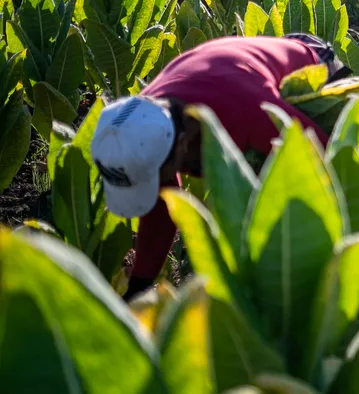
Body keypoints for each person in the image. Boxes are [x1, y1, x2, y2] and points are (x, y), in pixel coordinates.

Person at [91, 35, 340, 298]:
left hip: (311, 70)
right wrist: (138, 286)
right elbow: (160, 208)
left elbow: (329, 162)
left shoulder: (247, 112)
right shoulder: (141, 123)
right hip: (241, 69)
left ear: (182, 143)